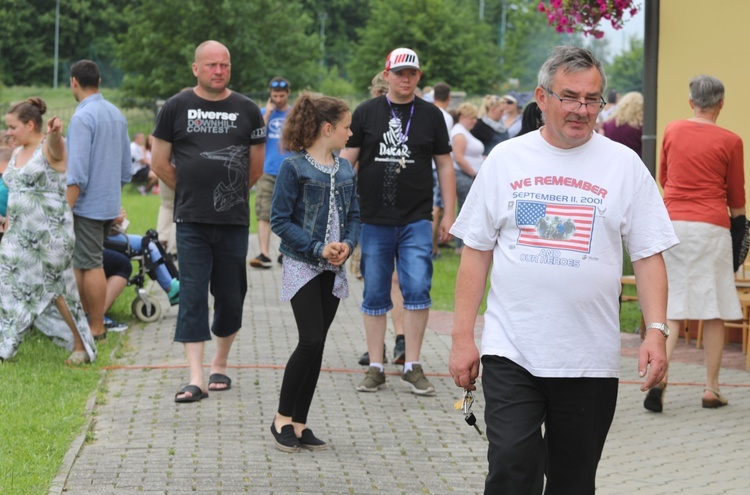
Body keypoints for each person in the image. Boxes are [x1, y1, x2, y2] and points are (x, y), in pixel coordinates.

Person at [449, 46, 678, 494]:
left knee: (573, 481)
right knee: (512, 466)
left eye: (592, 99)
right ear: (542, 96)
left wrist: (656, 330)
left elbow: (649, 253)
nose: (581, 109)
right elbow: (475, 252)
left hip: (589, 359)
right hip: (511, 350)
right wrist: (461, 339)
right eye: (570, 96)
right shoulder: (506, 160)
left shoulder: (625, 166)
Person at [151, 40, 265, 403]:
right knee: (193, 295)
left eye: (225, 65)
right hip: (191, 220)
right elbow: (159, 162)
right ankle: (196, 377)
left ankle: (220, 362)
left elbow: (256, 165)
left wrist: (230, 195)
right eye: (212, 65)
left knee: (231, 297)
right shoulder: (176, 107)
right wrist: (190, 192)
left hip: (233, 222)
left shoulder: (247, 109)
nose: (219, 71)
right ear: (196, 69)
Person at [341, 47, 456, 396]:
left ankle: (412, 364)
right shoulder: (366, 112)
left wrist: (449, 213)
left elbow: (445, 165)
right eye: (399, 73)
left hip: (417, 218)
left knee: (418, 286)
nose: (405, 79)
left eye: (412, 73)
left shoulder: (431, 116)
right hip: (374, 218)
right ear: (387, 74)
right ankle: (376, 366)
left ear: (418, 77)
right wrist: (338, 204)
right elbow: (349, 161)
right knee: (375, 291)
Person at [647, 75, 745, 413]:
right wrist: (740, 229)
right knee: (714, 309)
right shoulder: (731, 140)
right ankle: (711, 388)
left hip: (672, 222)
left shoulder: (672, 130)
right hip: (711, 225)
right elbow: (736, 196)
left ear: (691, 102)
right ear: (721, 104)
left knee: (672, 306)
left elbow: (664, 176)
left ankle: (660, 379)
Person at [269, 93, 360, 452]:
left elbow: (354, 216)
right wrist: (316, 247)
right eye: (346, 127)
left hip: (333, 268)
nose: (350, 133)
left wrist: (348, 246)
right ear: (327, 128)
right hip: (303, 264)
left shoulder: (347, 168)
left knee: (318, 344)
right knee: (309, 340)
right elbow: (279, 220)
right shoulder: (294, 168)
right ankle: (280, 419)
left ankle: (300, 423)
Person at [0, 98, 97, 364]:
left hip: (50, 236)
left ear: (30, 124)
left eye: (12, 126)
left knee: (58, 290)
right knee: (8, 286)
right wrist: (7, 221)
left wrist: (55, 133)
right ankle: (6, 345)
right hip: (18, 236)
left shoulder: (49, 148)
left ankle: (80, 347)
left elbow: (57, 145)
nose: (8, 132)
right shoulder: (17, 152)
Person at [66, 60, 132, 342]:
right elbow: (126, 170)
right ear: (100, 81)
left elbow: (76, 172)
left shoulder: (83, 117)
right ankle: (88, 323)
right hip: (108, 206)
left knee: (89, 264)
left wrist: (64, 209)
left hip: (86, 206)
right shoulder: (116, 114)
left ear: (74, 82)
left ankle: (94, 327)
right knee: (85, 262)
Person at [250, 77, 292, 269]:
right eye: (275, 95)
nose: (278, 99)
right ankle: (264, 253)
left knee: (289, 213)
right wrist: (266, 116)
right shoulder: (263, 113)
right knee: (264, 213)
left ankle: (286, 252)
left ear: (288, 94)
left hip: (289, 170)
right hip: (267, 169)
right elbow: (255, 136)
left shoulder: (293, 114)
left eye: (282, 96)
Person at [450, 102, 484, 254]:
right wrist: (473, 173)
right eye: (472, 117)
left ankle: (462, 244)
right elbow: (458, 157)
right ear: (463, 117)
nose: (474, 121)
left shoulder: (463, 131)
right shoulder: (459, 133)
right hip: (462, 175)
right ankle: (460, 245)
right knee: (465, 210)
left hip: (466, 175)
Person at [431, 82, 454, 259]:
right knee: (436, 208)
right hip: (436, 166)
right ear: (448, 97)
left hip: (426, 165)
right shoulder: (446, 117)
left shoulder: (427, 112)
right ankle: (433, 247)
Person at [599, 91, 643, 157]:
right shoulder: (640, 127)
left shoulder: (608, 123)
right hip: (635, 163)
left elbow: (600, 140)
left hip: (612, 161)